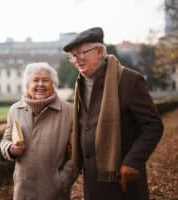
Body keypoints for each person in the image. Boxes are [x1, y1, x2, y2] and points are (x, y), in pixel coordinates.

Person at [63, 27, 164, 200]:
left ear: (100, 51)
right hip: (92, 183)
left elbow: (153, 126)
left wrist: (133, 161)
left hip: (122, 181)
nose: (76, 60)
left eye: (81, 53)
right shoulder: (80, 83)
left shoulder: (130, 80)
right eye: (73, 56)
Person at [0, 62, 76, 200]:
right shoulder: (15, 110)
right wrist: (11, 149)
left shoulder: (69, 111)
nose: (40, 84)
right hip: (23, 191)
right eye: (35, 80)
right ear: (27, 85)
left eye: (45, 80)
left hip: (54, 192)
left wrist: (62, 182)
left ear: (53, 84)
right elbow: (5, 140)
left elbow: (76, 153)